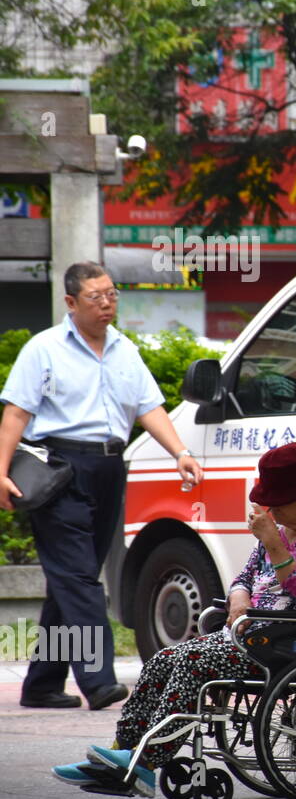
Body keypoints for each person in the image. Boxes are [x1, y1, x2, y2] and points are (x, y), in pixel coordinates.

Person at [51, 443, 296, 796]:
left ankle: (146, 763)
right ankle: (121, 752)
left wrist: (274, 545)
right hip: (255, 634)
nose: (274, 510)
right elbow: (244, 577)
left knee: (194, 662)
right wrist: (239, 596)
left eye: (282, 501)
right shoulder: (282, 530)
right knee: (164, 659)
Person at [0, 262, 204, 712]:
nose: (107, 303)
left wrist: (180, 452)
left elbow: (148, 407)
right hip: (59, 469)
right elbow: (16, 413)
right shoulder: (44, 349)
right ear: (71, 303)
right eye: (96, 296)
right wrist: (0, 470)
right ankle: (99, 679)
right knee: (79, 580)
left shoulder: (123, 349)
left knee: (73, 580)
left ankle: (42, 684)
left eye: (112, 293)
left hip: (110, 469)